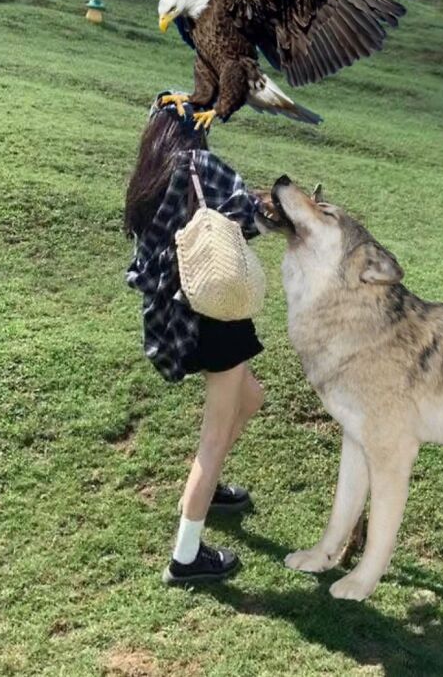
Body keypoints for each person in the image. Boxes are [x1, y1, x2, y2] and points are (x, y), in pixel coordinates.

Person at [124, 91, 265, 587]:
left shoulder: (148, 177)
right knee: (214, 436)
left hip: (178, 315)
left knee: (251, 397)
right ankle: (185, 557)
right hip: (216, 313)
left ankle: (208, 485)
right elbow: (247, 218)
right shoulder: (202, 166)